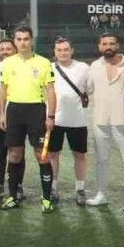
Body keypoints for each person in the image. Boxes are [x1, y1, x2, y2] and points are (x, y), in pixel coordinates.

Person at [0, 26, 58, 212]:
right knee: (15, 155)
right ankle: (12, 197)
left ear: (31, 40)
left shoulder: (44, 62)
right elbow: (3, 90)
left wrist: (51, 116)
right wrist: (2, 114)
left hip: (36, 111)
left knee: (42, 155)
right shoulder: (8, 63)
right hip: (14, 111)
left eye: (26, 39)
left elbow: (50, 90)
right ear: (15, 41)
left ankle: (46, 199)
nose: (22, 42)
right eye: (19, 39)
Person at [84, 32, 124, 208]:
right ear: (99, 46)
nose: (108, 47)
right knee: (101, 160)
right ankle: (101, 194)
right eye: (104, 44)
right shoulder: (94, 66)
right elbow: (88, 89)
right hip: (100, 121)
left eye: (112, 43)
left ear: (118, 45)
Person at [49, 38, 92, 207]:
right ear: (54, 52)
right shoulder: (49, 68)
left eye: (66, 49)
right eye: (59, 50)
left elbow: (89, 90)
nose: (63, 53)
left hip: (78, 120)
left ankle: (80, 189)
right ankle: (53, 188)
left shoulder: (83, 67)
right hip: (55, 120)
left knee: (79, 155)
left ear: (72, 51)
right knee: (53, 155)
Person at [0, 37, 17, 197]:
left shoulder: (21, 67)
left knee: (17, 152)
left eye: (8, 49)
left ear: (15, 50)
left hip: (18, 118)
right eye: (2, 49)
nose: (5, 52)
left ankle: (17, 184)